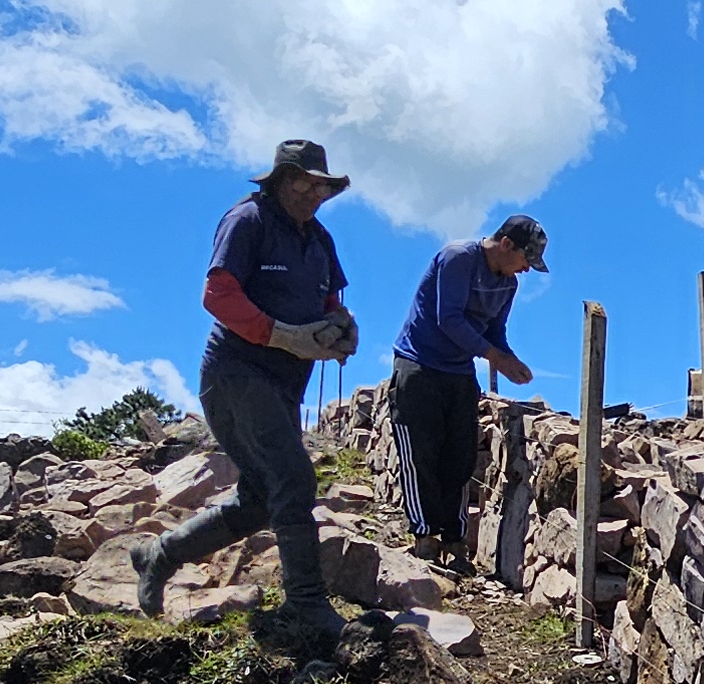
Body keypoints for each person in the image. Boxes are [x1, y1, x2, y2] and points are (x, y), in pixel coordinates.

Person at [129, 140, 359, 647]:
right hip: (236, 374)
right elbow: (218, 294)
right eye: (306, 184)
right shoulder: (247, 221)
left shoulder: (317, 239)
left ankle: (159, 555)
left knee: (260, 500)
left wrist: (341, 324)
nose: (314, 195)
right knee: (294, 477)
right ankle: (305, 603)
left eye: (322, 187)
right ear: (281, 179)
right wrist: (280, 334)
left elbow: (328, 298)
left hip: (283, 382)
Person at [386, 215, 548, 565]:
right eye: (525, 261)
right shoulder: (458, 258)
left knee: (459, 458)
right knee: (420, 454)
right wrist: (495, 358)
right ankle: (424, 538)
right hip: (420, 365)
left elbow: (495, 331)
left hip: (458, 372)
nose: (525, 271)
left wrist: (509, 359)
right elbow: (449, 319)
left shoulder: (507, 285)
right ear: (506, 245)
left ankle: (455, 540)